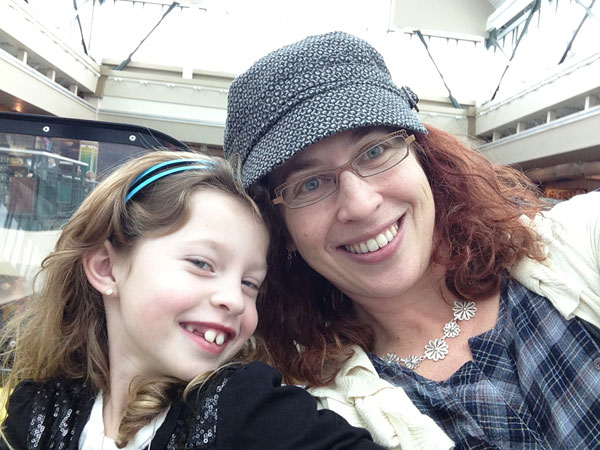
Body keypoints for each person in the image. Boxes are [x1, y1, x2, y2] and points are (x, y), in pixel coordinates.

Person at [223, 31, 600, 450]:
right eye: (310, 184)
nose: (361, 205)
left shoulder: (576, 246)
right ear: (283, 232)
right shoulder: (314, 414)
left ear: (423, 157)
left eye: (373, 151)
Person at [0, 150, 385, 450]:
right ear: (105, 267)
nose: (234, 299)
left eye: (251, 284)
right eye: (202, 263)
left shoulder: (245, 408)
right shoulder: (39, 411)